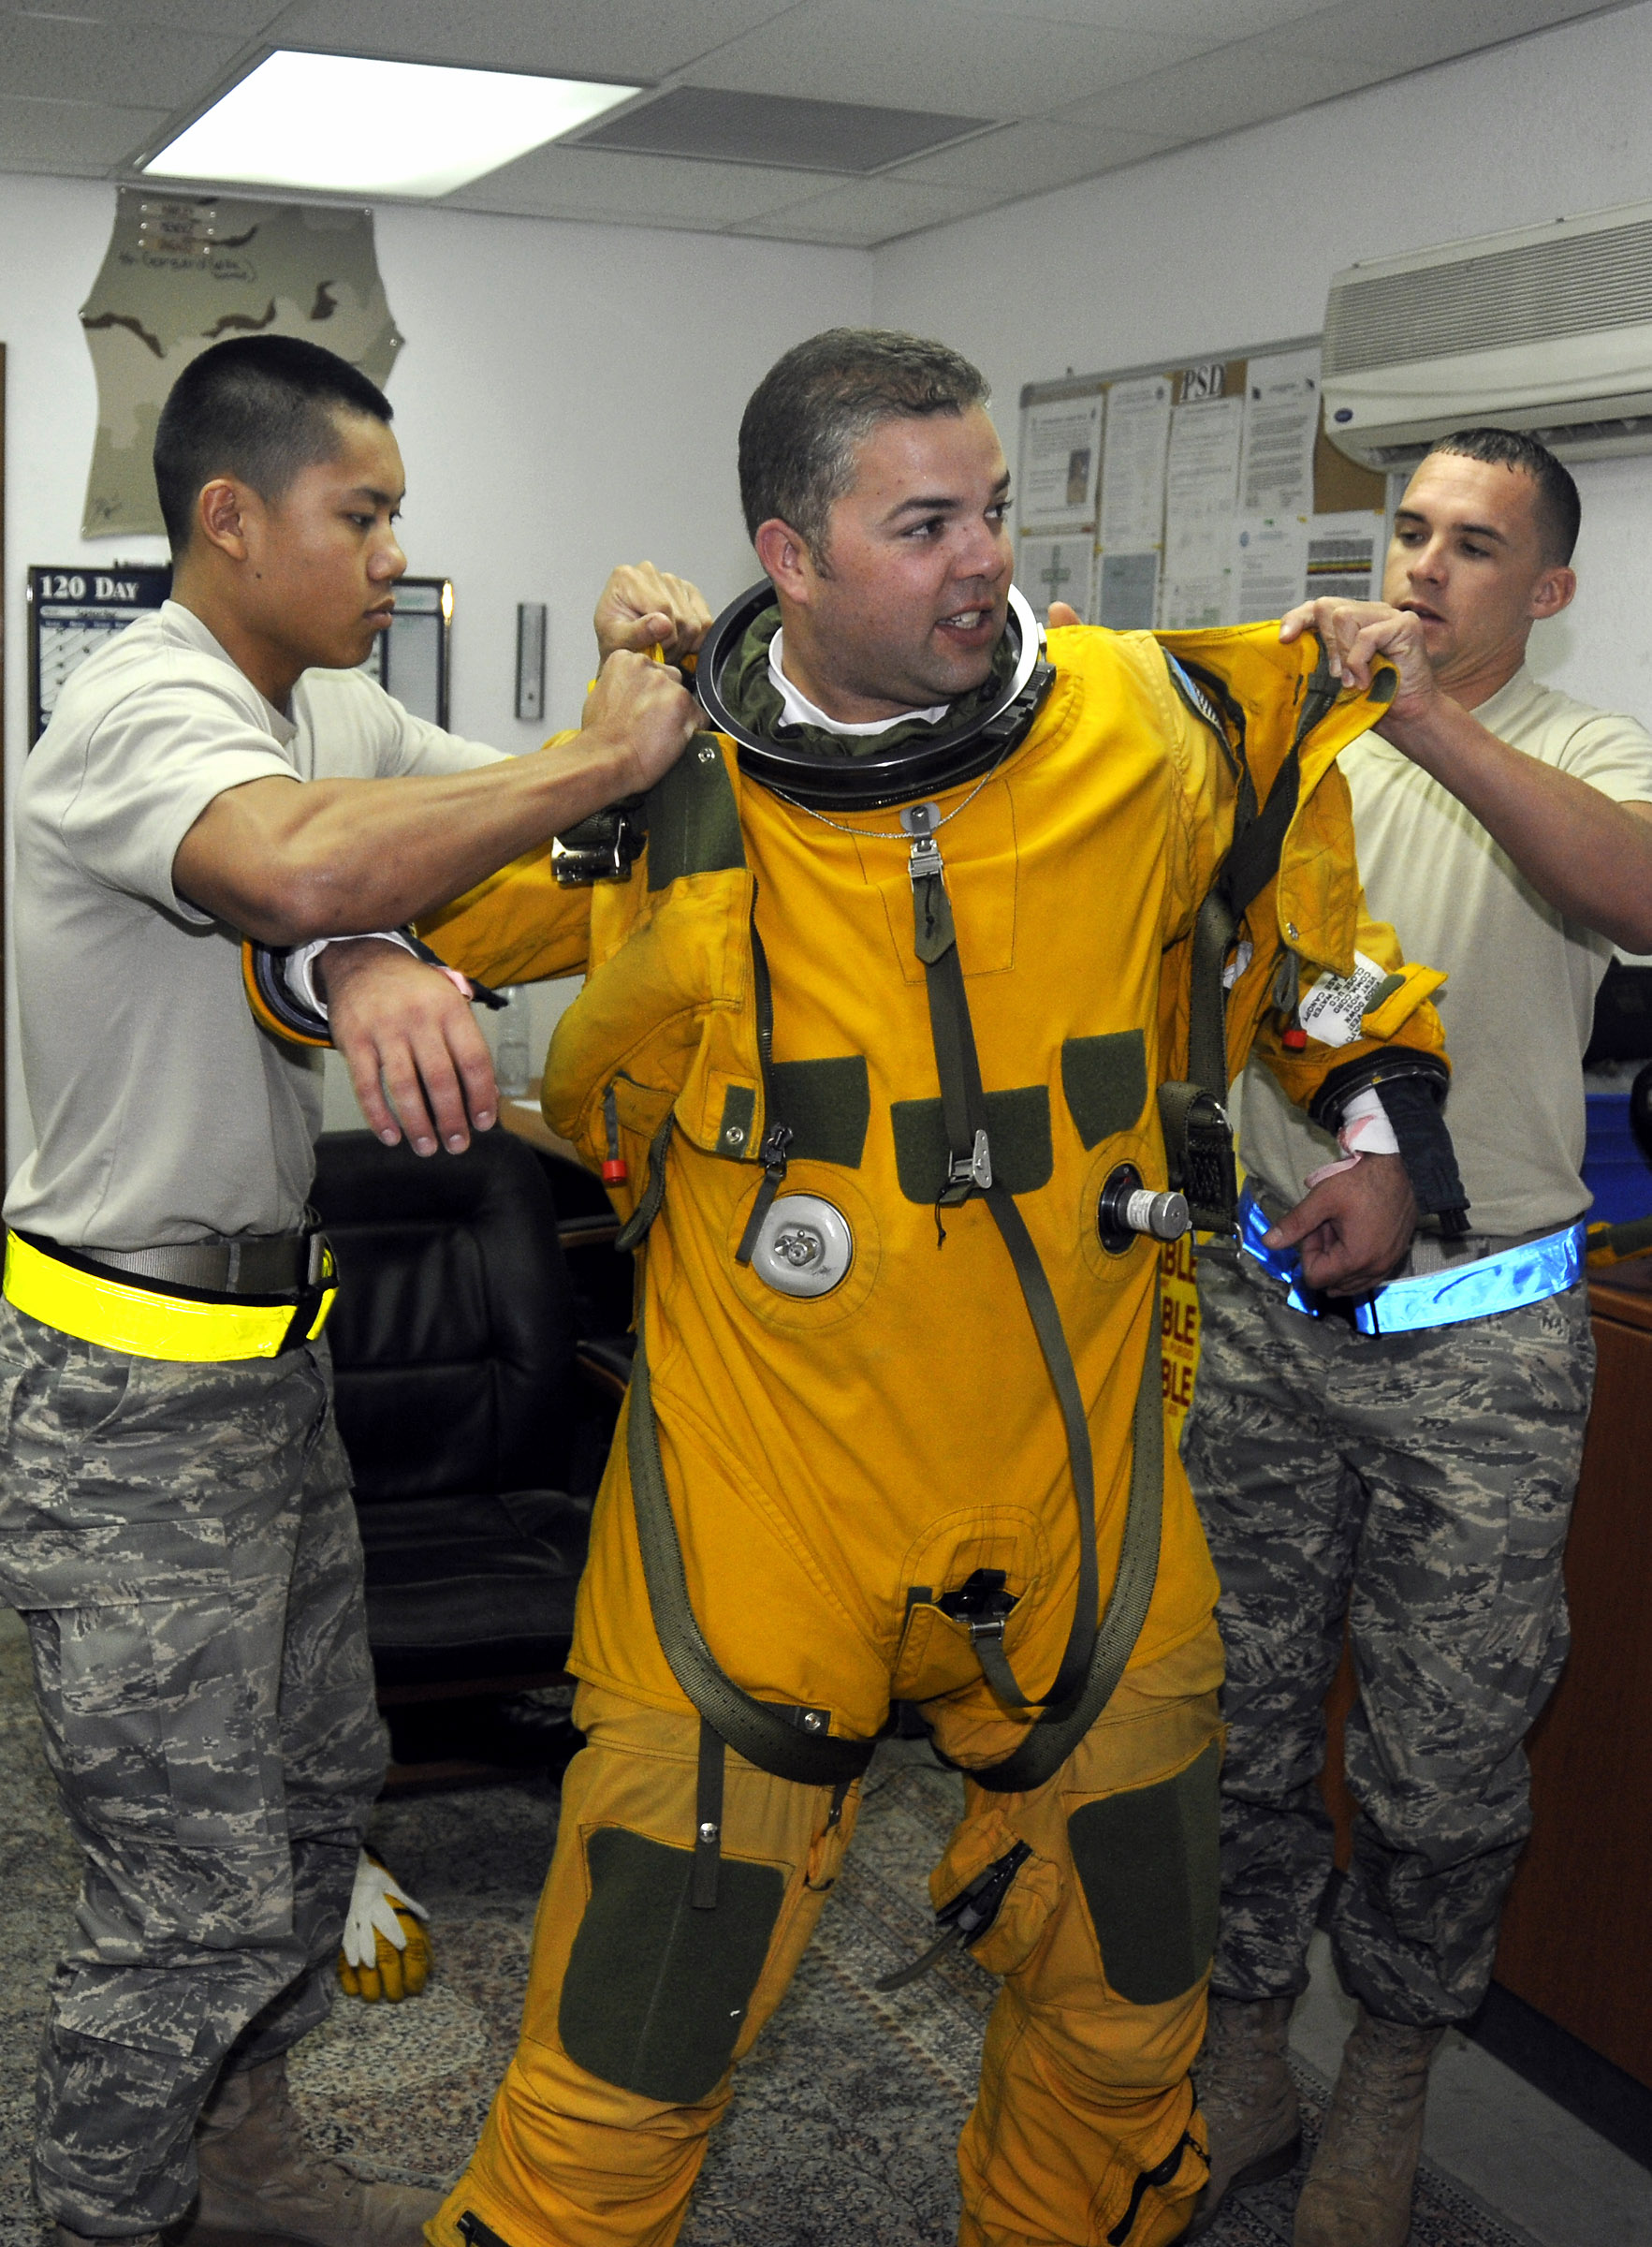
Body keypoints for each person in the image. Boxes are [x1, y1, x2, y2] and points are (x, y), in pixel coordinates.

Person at [271, 327, 1472, 2247]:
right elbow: (338, 896)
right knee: (628, 2046)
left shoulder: (1160, 725)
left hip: (1077, 1495)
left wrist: (1380, 1117)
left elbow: (1311, 945)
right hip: (760, 1517)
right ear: (793, 550)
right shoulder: (656, 787)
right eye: (923, 524)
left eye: (989, 508)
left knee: (1126, 2022)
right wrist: (360, 971)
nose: (981, 555)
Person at [0, 332, 698, 2247]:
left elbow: (517, 845)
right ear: (231, 517)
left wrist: (655, 711)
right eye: (361, 513)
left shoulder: (327, 709)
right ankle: (99, 2214)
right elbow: (293, 875)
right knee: (182, 1899)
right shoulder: (144, 711)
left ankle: (244, 2135)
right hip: (127, 1393)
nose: (393, 551)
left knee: (317, 1803)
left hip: (271, 1374)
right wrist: (397, 910)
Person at [1180, 428, 1652, 2247]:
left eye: (1475, 547)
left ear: (1545, 589)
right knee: (1235, 1721)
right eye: (1409, 536)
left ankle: (1382, 2086)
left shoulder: (1582, 752)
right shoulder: (1296, 746)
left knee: (1445, 1768)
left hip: (1482, 1348)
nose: (1427, 569)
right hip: (1268, 1306)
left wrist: (1422, 713)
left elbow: (1633, 900)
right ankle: (1241, 2059)